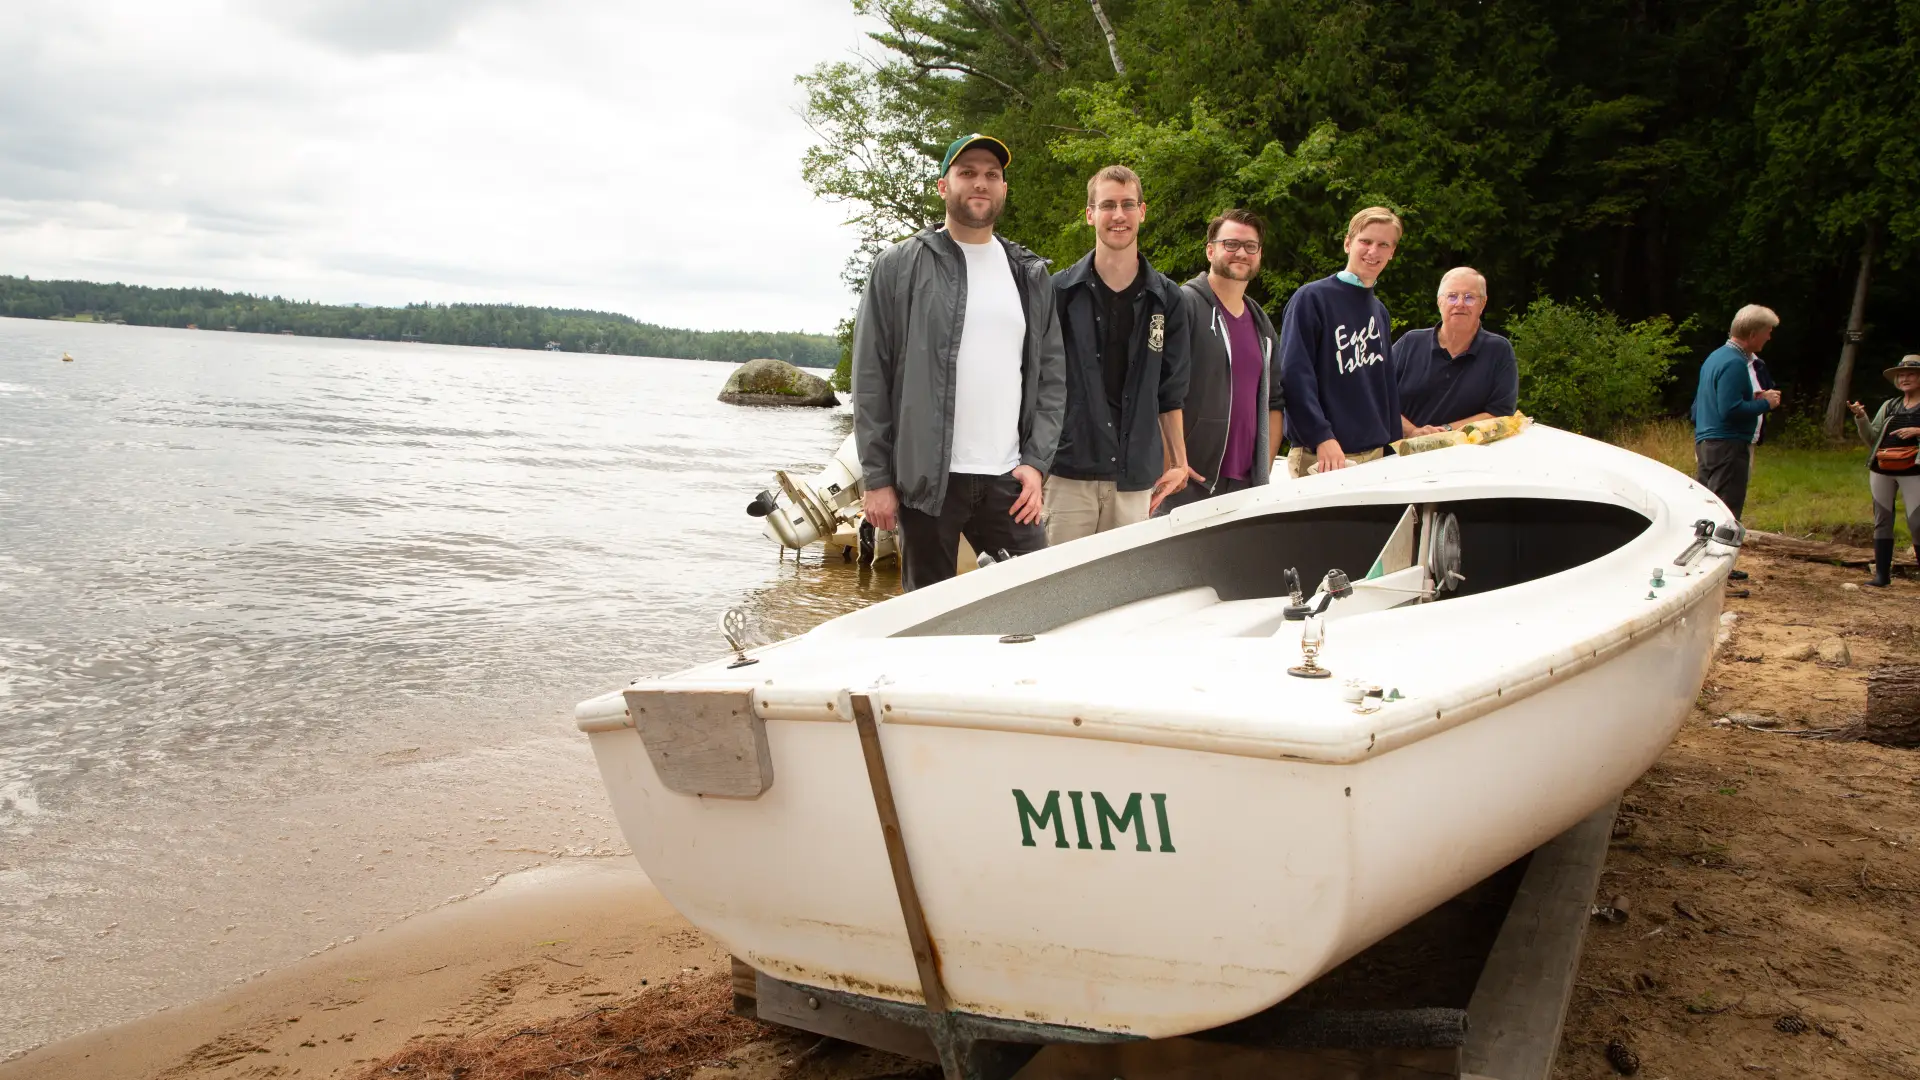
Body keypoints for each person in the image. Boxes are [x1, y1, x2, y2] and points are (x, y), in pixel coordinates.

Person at [851, 133, 1067, 592]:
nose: (981, 183)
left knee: (1040, 600)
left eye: (992, 175)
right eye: (967, 173)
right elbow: (870, 378)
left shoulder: (1028, 274)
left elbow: (1051, 379)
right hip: (928, 484)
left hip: (1009, 479)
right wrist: (877, 480)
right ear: (943, 186)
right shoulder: (898, 267)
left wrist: (1036, 463)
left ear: (1004, 188)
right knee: (928, 620)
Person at [1045, 165, 1193, 541]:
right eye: (1108, 205)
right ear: (1090, 214)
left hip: (1135, 479)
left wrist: (1179, 462)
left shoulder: (1169, 299)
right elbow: (1036, 383)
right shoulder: (1057, 292)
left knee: (1124, 596)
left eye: (1128, 205)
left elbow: (1170, 392)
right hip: (1066, 474)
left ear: (1142, 212)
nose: (1118, 215)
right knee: (1057, 591)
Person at [1157, 208, 1284, 513]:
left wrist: (1261, 473)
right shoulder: (1183, 305)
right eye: (1231, 244)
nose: (1241, 252)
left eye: (1250, 246)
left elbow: (1274, 403)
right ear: (1210, 250)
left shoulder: (1261, 323)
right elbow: (1155, 389)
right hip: (1187, 484)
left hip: (1243, 487)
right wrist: (1170, 465)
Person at [1280, 206, 1404, 479]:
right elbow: (1294, 377)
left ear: (1392, 252)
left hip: (1375, 455)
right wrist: (1322, 436)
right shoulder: (1312, 299)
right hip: (1323, 455)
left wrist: (1393, 447)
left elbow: (1385, 388)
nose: (1374, 251)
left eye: (1384, 244)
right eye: (1366, 241)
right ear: (1348, 244)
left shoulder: (1379, 311)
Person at [1690, 305, 1782, 583]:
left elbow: (1703, 405)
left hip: (1709, 441)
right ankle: (1716, 571)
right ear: (1753, 333)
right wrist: (1765, 403)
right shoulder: (1734, 362)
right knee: (1726, 508)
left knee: (1709, 503)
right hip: (1728, 444)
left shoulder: (1715, 357)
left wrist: (1751, 395)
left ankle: (1704, 565)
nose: (1769, 338)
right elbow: (1729, 410)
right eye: (1767, 332)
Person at [1393, 267, 1517, 436]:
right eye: (1452, 296)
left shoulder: (1498, 350)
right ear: (1439, 302)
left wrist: (1446, 432)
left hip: (1466, 456)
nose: (1460, 304)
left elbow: (1500, 413)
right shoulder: (1410, 343)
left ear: (1483, 303)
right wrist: (1413, 432)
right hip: (1400, 455)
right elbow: (1379, 396)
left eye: (1469, 297)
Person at [1848, 354, 1920, 587]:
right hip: (1882, 467)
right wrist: (1861, 418)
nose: (1905, 379)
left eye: (1910, 374)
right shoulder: (1890, 405)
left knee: (1917, 522)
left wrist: (1917, 431)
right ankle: (1881, 575)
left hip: (1914, 470)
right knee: (1882, 519)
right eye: (1901, 375)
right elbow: (1872, 437)